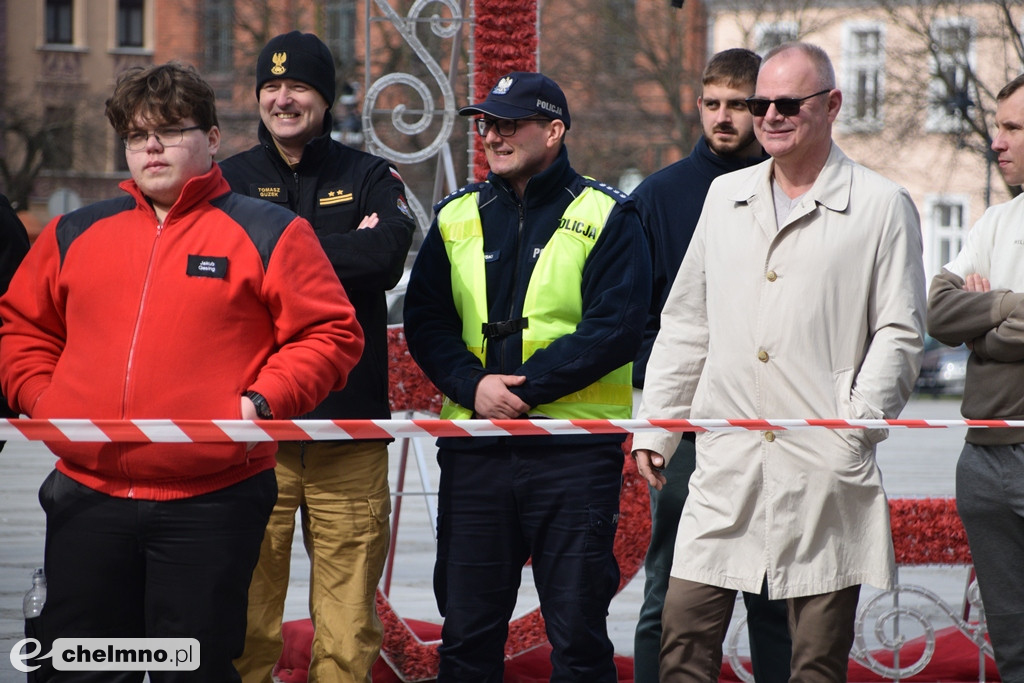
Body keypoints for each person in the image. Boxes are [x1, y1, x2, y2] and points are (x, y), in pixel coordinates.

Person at [0, 62, 364, 682]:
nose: (150, 146)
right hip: (88, 498)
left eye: (170, 130)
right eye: (137, 134)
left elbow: (331, 334)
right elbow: (23, 327)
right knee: (80, 668)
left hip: (211, 502)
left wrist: (262, 402)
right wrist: (44, 398)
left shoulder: (272, 231)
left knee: (190, 670)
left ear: (214, 138)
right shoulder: (73, 231)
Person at [632, 42, 925, 682]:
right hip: (724, 463)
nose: (769, 115)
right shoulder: (725, 197)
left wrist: (855, 428)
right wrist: (657, 424)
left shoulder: (880, 205)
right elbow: (687, 320)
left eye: (787, 103)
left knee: (812, 660)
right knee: (681, 635)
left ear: (832, 105)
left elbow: (901, 332)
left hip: (823, 469)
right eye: (762, 102)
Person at [403, 71, 650, 682]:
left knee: (578, 637)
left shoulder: (607, 215)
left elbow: (615, 327)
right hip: (477, 449)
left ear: (555, 131)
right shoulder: (456, 216)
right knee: (466, 635)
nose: (494, 135)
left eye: (511, 123)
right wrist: (472, 387)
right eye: (488, 123)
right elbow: (426, 320)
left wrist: (521, 391)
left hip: (572, 452)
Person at [219, 31, 415, 683]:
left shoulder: (368, 176)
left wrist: (272, 256)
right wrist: (337, 248)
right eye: (271, 87)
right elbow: (218, 272)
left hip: (349, 432)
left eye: (298, 86)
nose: (283, 98)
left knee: (348, 622)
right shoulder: (227, 180)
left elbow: (386, 257)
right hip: (255, 435)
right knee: (245, 616)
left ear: (326, 98)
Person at [629, 47, 791, 683]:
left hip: (780, 421)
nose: (724, 118)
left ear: (763, 109)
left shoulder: (794, 187)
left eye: (738, 105)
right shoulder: (659, 196)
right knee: (671, 590)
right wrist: (678, 401)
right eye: (712, 104)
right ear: (699, 105)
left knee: (774, 590)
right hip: (692, 427)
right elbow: (636, 321)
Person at [926, 72, 1024, 682]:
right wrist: (1010, 309)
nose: (997, 141)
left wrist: (983, 320)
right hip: (983, 455)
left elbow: (963, 319)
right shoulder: (995, 221)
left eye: (1012, 127)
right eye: (998, 126)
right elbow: (938, 309)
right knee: (1012, 650)